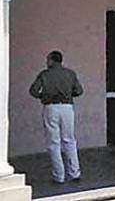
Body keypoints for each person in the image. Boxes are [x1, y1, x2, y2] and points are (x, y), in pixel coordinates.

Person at [29, 50, 83, 184]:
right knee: (69, 140)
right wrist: (68, 94)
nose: (46, 62)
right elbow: (79, 91)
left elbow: (33, 91)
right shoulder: (70, 73)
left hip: (50, 107)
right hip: (67, 107)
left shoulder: (44, 74)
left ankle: (59, 176)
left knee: (54, 142)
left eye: (48, 60)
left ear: (52, 61)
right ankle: (75, 173)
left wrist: (43, 96)